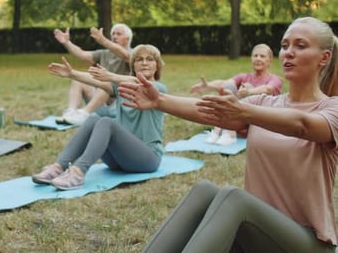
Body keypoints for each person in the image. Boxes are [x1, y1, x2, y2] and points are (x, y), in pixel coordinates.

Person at [118, 17, 338, 252]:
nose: (288, 53)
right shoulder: (263, 103)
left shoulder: (331, 108)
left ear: (324, 57)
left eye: (300, 46)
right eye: (285, 46)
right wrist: (159, 100)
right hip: (255, 233)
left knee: (235, 198)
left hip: (306, 243)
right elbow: (211, 113)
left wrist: (246, 110)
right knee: (204, 191)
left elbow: (303, 125)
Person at [32, 44, 166, 190]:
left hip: (147, 160)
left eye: (150, 59)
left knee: (107, 122)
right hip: (119, 161)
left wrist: (111, 76)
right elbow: (96, 80)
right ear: (133, 65)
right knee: (93, 119)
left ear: (157, 66)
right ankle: (58, 167)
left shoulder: (159, 89)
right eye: (139, 59)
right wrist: (72, 74)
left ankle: (77, 173)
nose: (144, 63)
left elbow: (142, 84)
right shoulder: (122, 88)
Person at [189, 43, 283, 145]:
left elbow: (268, 89)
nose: (258, 59)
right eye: (255, 55)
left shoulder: (275, 79)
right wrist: (208, 86)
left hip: (261, 120)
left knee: (247, 87)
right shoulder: (244, 76)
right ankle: (221, 130)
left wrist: (249, 92)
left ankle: (229, 132)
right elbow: (224, 84)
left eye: (262, 56)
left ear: (270, 60)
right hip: (244, 119)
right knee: (229, 86)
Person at [53, 24, 133, 125]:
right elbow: (82, 54)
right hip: (100, 103)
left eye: (118, 34)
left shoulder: (133, 54)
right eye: (113, 34)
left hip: (119, 106)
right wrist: (67, 42)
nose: (114, 36)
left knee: (105, 82)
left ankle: (84, 114)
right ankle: (71, 112)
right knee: (78, 80)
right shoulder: (104, 53)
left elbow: (125, 55)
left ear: (127, 39)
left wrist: (103, 40)